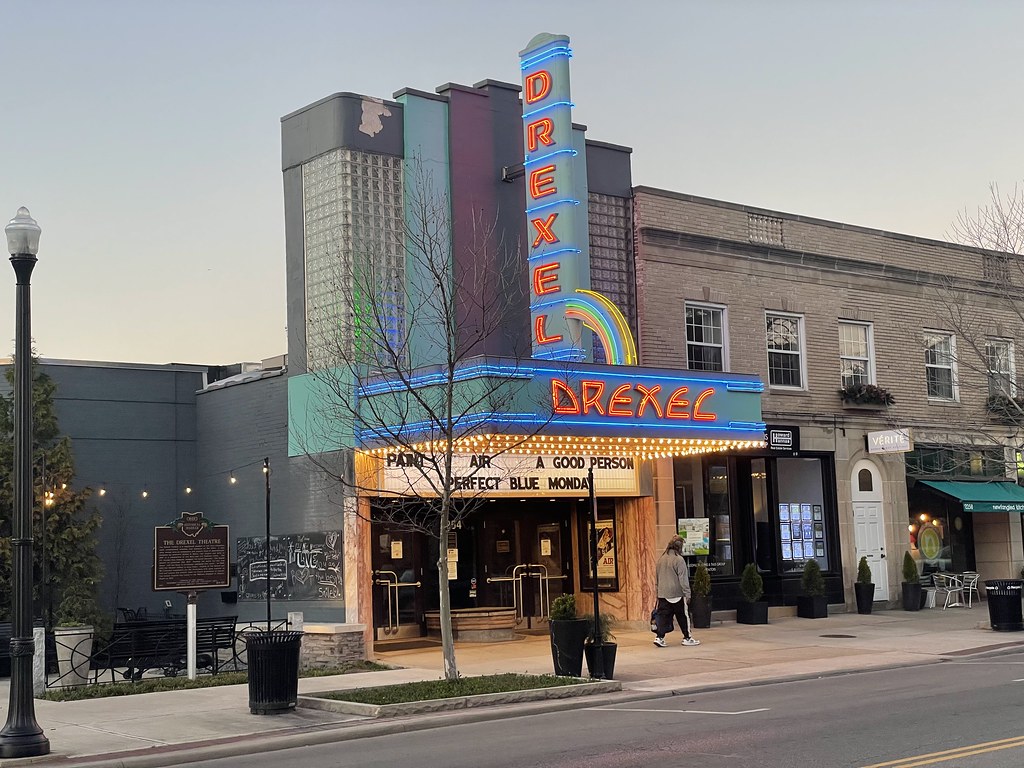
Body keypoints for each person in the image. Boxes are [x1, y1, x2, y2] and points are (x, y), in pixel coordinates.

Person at [654, 535, 700, 647]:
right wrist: (687, 593)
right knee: (683, 616)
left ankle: (659, 637)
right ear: (680, 547)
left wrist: (657, 592)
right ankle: (687, 637)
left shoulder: (661, 559)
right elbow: (683, 579)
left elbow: (657, 578)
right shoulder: (679, 560)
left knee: (664, 616)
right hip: (677, 593)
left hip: (663, 593)